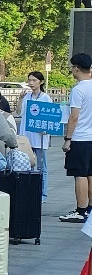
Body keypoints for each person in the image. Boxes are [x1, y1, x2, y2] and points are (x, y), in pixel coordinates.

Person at [62, 54, 92, 222]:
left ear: (77, 69)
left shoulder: (78, 89)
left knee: (80, 174)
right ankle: (90, 209)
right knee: (91, 174)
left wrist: (68, 138)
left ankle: (81, 210)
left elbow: (74, 116)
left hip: (80, 138)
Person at [19, 71, 53, 199]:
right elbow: (19, 112)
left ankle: (42, 193)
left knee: (41, 167)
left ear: (41, 82)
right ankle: (28, 192)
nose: (31, 83)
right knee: (26, 165)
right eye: (29, 80)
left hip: (40, 138)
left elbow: (50, 118)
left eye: (34, 80)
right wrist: (20, 99)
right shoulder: (26, 97)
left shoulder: (46, 98)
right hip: (26, 137)